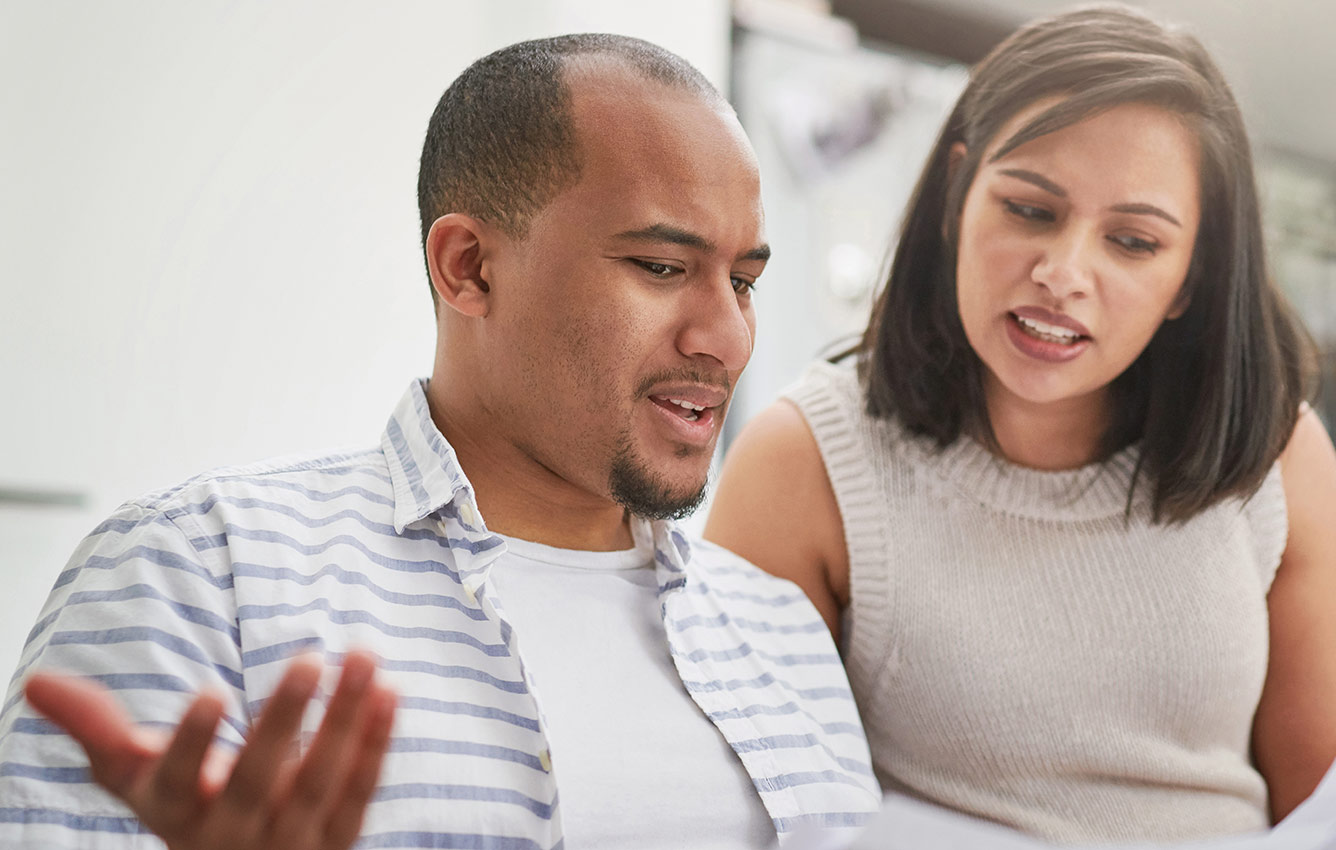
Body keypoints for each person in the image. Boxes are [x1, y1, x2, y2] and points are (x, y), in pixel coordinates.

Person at [0, 34, 877, 850]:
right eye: (660, 267)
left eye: (745, 281)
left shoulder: (782, 635)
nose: (725, 338)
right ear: (469, 267)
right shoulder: (198, 570)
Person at [705, 4, 1336, 844]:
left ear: (1191, 279)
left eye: (1132, 242)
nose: (1062, 274)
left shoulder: (1276, 456)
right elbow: (745, 820)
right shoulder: (805, 459)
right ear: (957, 192)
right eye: (1029, 210)